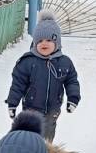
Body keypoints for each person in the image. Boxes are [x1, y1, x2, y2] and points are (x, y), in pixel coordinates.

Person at [5, 8, 80, 141]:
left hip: (53, 110)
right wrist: (12, 103)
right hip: (31, 110)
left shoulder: (64, 62)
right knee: (30, 136)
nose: (43, 43)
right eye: (39, 41)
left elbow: (71, 81)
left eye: (49, 40)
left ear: (57, 42)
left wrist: (73, 98)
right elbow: (18, 84)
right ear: (34, 42)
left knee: (47, 137)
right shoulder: (28, 62)